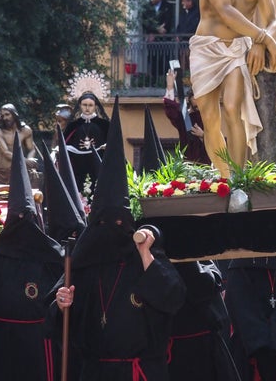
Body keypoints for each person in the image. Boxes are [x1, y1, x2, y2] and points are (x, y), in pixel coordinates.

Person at [53, 97, 186, 380]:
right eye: (103, 223)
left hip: (140, 371)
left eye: (118, 222)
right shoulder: (82, 265)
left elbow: (174, 298)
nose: (111, 229)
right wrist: (61, 304)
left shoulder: (144, 256)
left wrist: (148, 254)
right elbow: (55, 323)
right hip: (95, 372)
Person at [191, 0, 276, 177]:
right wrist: (263, 39)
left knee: (233, 108)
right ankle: (224, 176)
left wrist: (258, 41)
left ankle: (238, 178)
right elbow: (224, 11)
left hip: (236, 49)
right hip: (206, 48)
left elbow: (272, 20)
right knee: (210, 119)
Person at [0, 133, 64, 381]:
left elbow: (60, 295)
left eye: (27, 220)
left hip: (37, 339)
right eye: (17, 219)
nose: (22, 225)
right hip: (0, 336)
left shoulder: (52, 254)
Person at [63, 92, 110, 194]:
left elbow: (112, 142)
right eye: (84, 105)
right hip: (78, 165)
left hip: (98, 163)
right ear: (80, 105)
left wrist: (107, 146)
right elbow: (65, 143)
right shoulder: (73, 125)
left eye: (90, 105)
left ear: (95, 106)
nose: (87, 108)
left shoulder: (104, 125)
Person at [163, 69, 210, 165]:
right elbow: (171, 110)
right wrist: (170, 86)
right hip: (188, 165)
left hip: (207, 167)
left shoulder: (210, 115)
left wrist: (203, 135)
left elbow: (219, 143)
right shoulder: (184, 118)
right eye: (196, 106)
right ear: (190, 100)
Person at [142, 0, 173, 85]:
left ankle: (164, 83)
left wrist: (162, 29)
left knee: (164, 61)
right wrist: (155, 30)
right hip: (151, 39)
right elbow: (145, 22)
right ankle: (152, 81)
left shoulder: (167, 6)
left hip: (164, 39)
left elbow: (169, 21)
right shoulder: (147, 6)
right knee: (152, 60)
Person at [175, 0, 200, 73]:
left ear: (190, 1)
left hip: (191, 43)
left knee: (190, 64)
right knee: (183, 63)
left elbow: (193, 27)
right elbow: (179, 26)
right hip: (183, 44)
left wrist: (182, 36)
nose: (182, 3)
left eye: (184, 1)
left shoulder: (197, 13)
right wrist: (177, 35)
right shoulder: (183, 13)